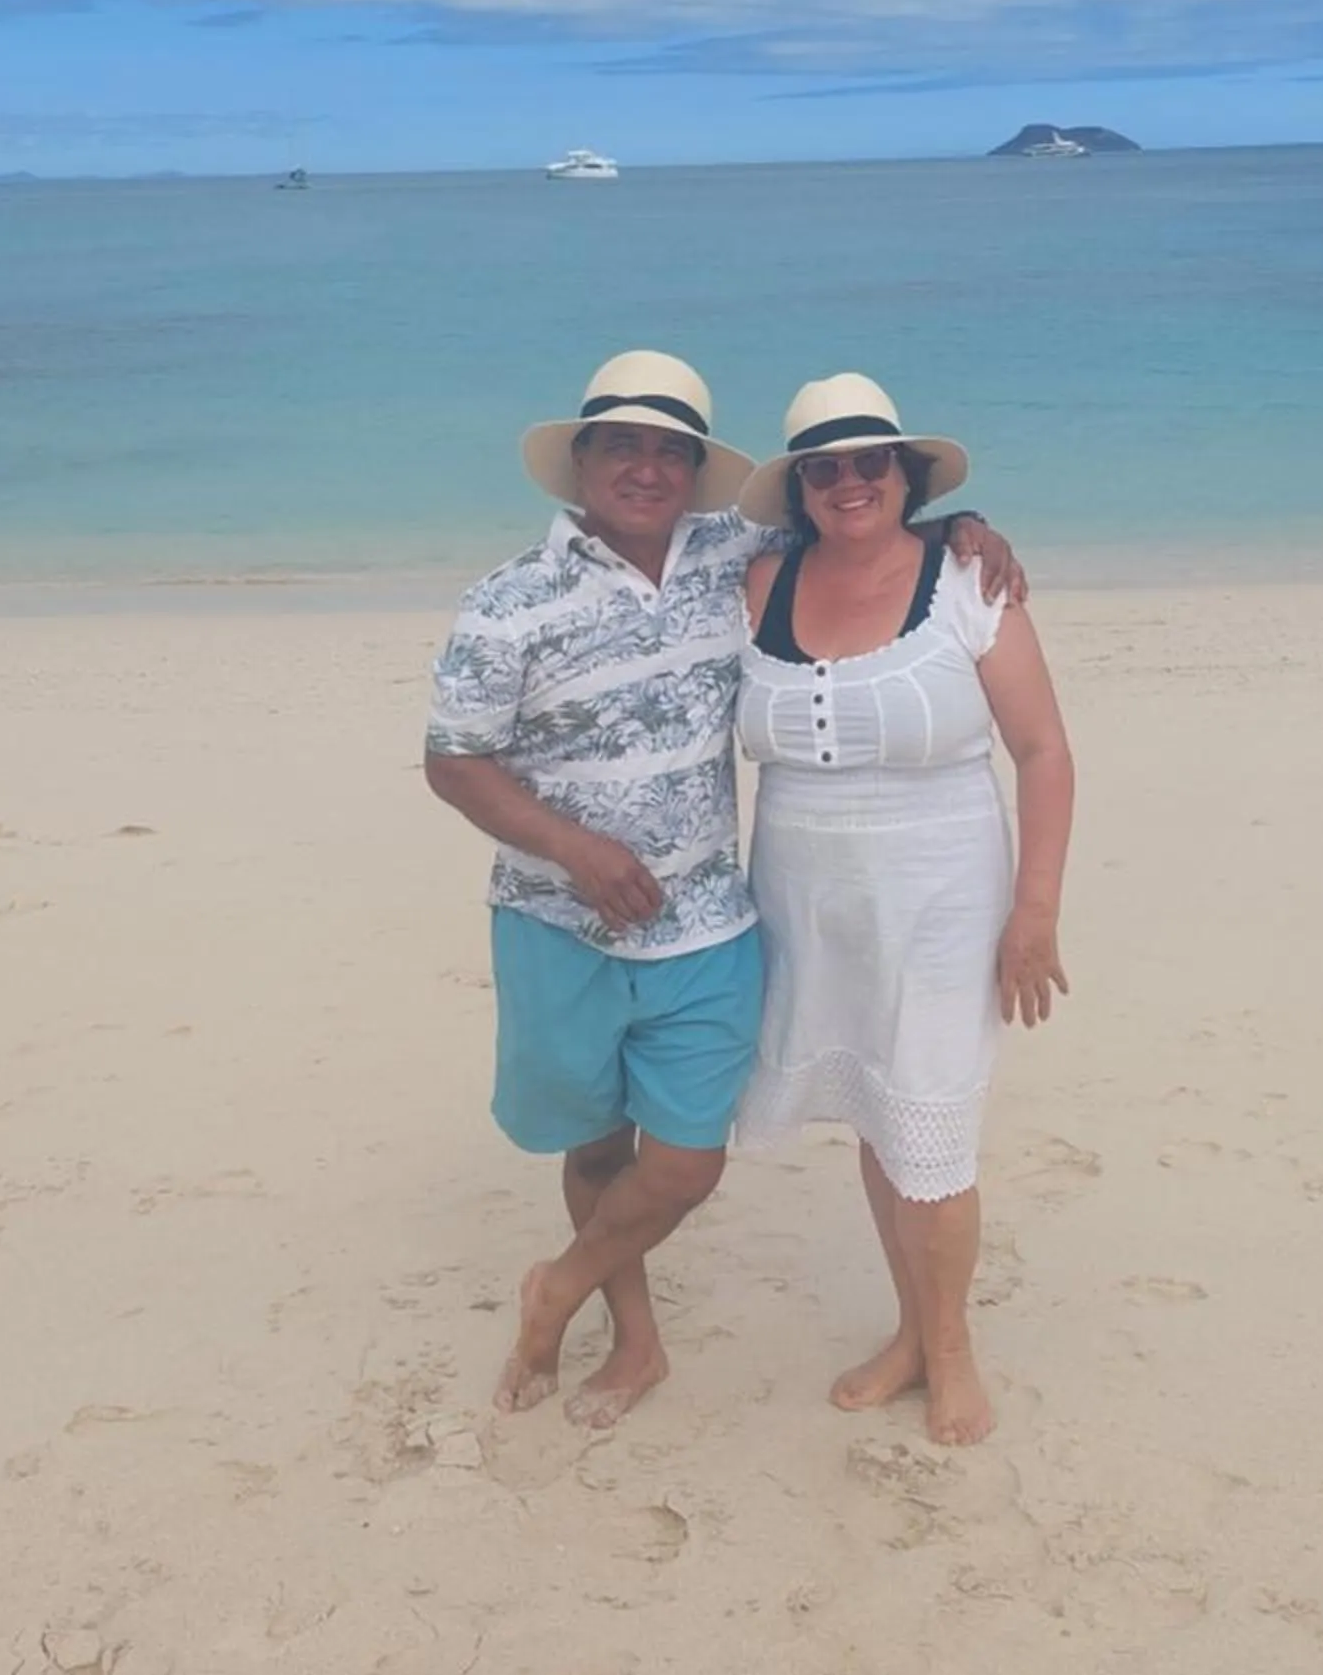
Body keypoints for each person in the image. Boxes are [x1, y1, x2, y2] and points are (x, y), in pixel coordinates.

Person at [423, 350, 1018, 1429]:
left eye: (670, 451)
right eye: (624, 446)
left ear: (697, 473)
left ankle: (555, 1286)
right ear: (583, 462)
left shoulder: (735, 556)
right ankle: (634, 1345)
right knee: (596, 1146)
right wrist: (575, 850)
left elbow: (862, 527)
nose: (646, 469)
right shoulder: (507, 602)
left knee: (688, 1163)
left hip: (706, 921)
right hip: (553, 921)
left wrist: (961, 533)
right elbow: (453, 763)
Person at [734, 374, 1074, 1446]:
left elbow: (1044, 753)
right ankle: (911, 1335)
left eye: (868, 462)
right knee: (880, 1122)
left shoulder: (969, 580)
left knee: (934, 1132)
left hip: (942, 897)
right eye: (823, 468)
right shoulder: (750, 583)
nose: (847, 483)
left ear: (903, 474)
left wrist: (1036, 913)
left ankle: (953, 1349)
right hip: (807, 898)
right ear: (799, 489)